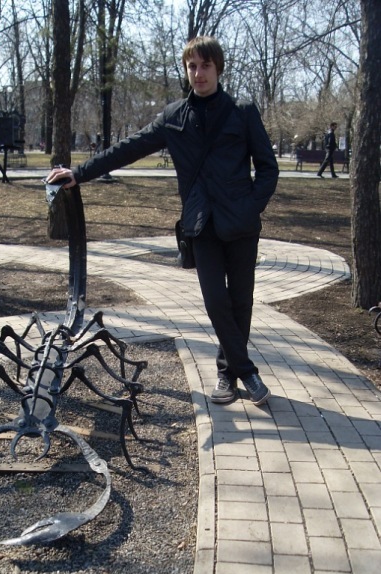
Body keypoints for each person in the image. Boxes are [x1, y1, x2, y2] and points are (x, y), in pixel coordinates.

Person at [47, 36, 279, 406]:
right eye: (192, 66)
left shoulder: (243, 111)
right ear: (186, 70)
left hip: (241, 224)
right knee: (216, 302)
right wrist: (79, 173)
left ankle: (226, 374)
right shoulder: (174, 117)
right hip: (200, 225)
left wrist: (251, 206)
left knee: (241, 302)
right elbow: (128, 148)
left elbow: (268, 168)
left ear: (218, 68)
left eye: (205, 65)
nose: (198, 73)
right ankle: (247, 372)